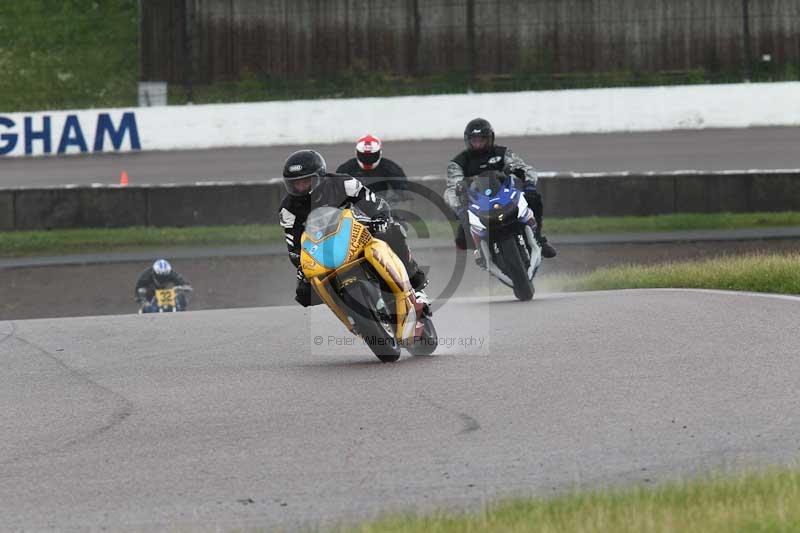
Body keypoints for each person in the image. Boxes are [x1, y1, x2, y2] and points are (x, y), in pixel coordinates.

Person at [278, 149, 429, 308]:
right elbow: (294, 246)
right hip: (323, 249)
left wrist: (380, 217)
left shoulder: (343, 183)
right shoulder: (288, 209)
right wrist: (302, 266)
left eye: (306, 181)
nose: (300, 187)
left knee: (393, 231)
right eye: (296, 183)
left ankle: (415, 286)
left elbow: (373, 202)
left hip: (356, 230)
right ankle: (349, 313)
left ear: (319, 176)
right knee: (303, 295)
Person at [444, 117, 557, 259]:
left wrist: (527, 183)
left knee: (533, 198)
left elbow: (523, 168)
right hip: (477, 203)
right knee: (461, 240)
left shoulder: (502, 153)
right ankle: (481, 250)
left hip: (506, 195)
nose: (478, 144)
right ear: (468, 140)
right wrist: (460, 207)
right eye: (475, 140)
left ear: (490, 138)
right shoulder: (458, 162)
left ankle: (538, 238)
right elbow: (452, 186)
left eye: (482, 139)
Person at [335, 134, 410, 201]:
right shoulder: (346, 168)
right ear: (357, 153)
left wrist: (396, 198)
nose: (368, 159)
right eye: (364, 156)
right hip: (352, 208)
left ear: (379, 153)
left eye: (371, 156)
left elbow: (404, 190)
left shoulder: (390, 168)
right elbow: (335, 189)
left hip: (381, 208)